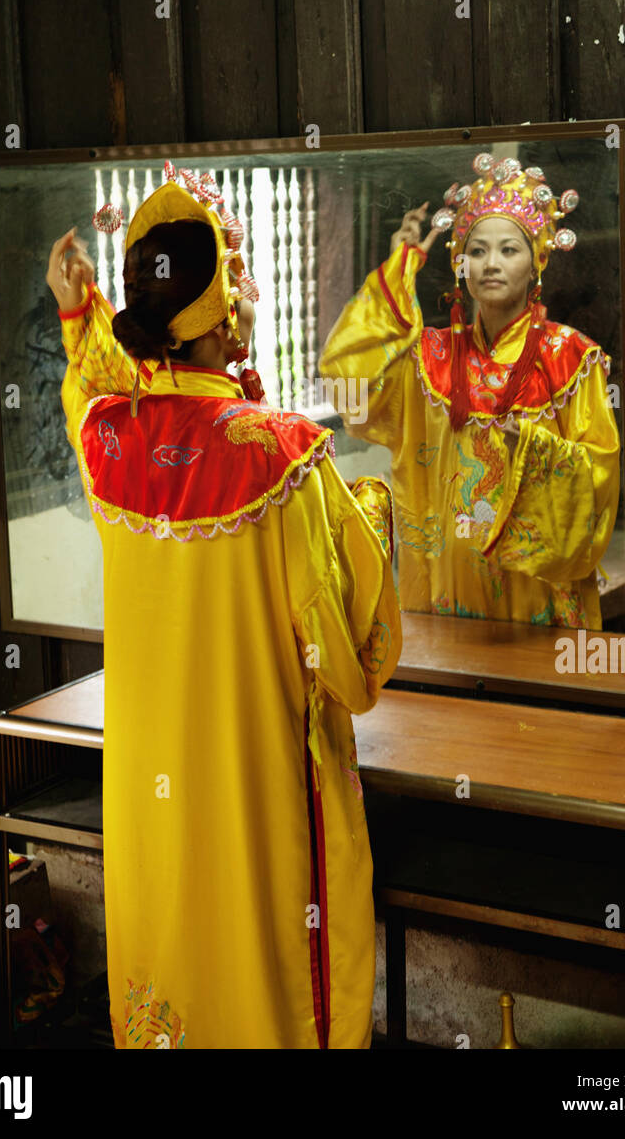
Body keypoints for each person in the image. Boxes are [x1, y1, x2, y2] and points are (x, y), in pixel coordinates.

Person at [46, 165, 401, 1049]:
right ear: (229, 311)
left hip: (149, 777)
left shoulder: (105, 441)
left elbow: (92, 388)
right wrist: (376, 518)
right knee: (262, 938)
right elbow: (346, 649)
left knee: (171, 932)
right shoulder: (283, 456)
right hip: (252, 771)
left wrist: (77, 311)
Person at [319, 153, 620, 628]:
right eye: (477, 251)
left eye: (509, 250)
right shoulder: (427, 358)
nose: (491, 264)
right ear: (460, 264)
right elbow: (348, 380)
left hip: (535, 593)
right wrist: (399, 273)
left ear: (538, 260)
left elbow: (601, 477)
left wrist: (540, 453)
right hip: (443, 585)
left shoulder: (570, 358)